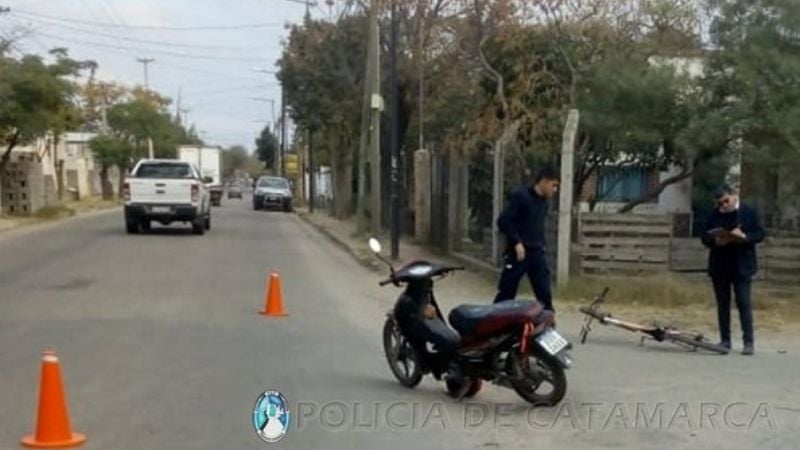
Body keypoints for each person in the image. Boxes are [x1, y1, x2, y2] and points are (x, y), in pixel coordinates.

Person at [700, 185, 765, 355]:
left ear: (734, 195)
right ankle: (725, 340)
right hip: (720, 264)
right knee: (723, 304)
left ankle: (748, 342)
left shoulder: (748, 212)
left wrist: (744, 237)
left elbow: (760, 233)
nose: (723, 206)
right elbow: (704, 235)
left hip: (742, 264)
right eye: (719, 204)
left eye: (725, 201)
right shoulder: (713, 214)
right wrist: (716, 241)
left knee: (744, 303)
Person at [493, 166, 560, 311]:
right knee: (506, 292)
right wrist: (516, 242)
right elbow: (503, 221)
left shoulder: (544, 203)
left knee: (544, 293)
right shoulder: (521, 197)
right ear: (543, 181)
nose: (554, 190)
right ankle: (494, 319)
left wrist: (542, 245)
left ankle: (547, 320)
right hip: (518, 253)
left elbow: (536, 226)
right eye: (553, 185)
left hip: (536, 252)